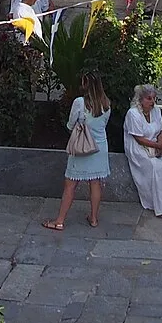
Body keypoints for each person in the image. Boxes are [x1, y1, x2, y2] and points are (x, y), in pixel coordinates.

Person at [44, 71, 111, 232]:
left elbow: (70, 123)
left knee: (70, 184)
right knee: (95, 183)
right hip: (100, 147)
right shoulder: (106, 104)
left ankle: (60, 220)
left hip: (82, 148)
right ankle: (94, 218)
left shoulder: (79, 103)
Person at [123, 82, 162, 218]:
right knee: (158, 168)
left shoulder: (155, 110)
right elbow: (139, 139)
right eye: (149, 98)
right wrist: (158, 147)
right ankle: (161, 207)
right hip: (138, 149)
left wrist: (160, 144)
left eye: (154, 98)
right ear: (140, 99)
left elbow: (160, 130)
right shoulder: (133, 114)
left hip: (155, 146)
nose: (152, 102)